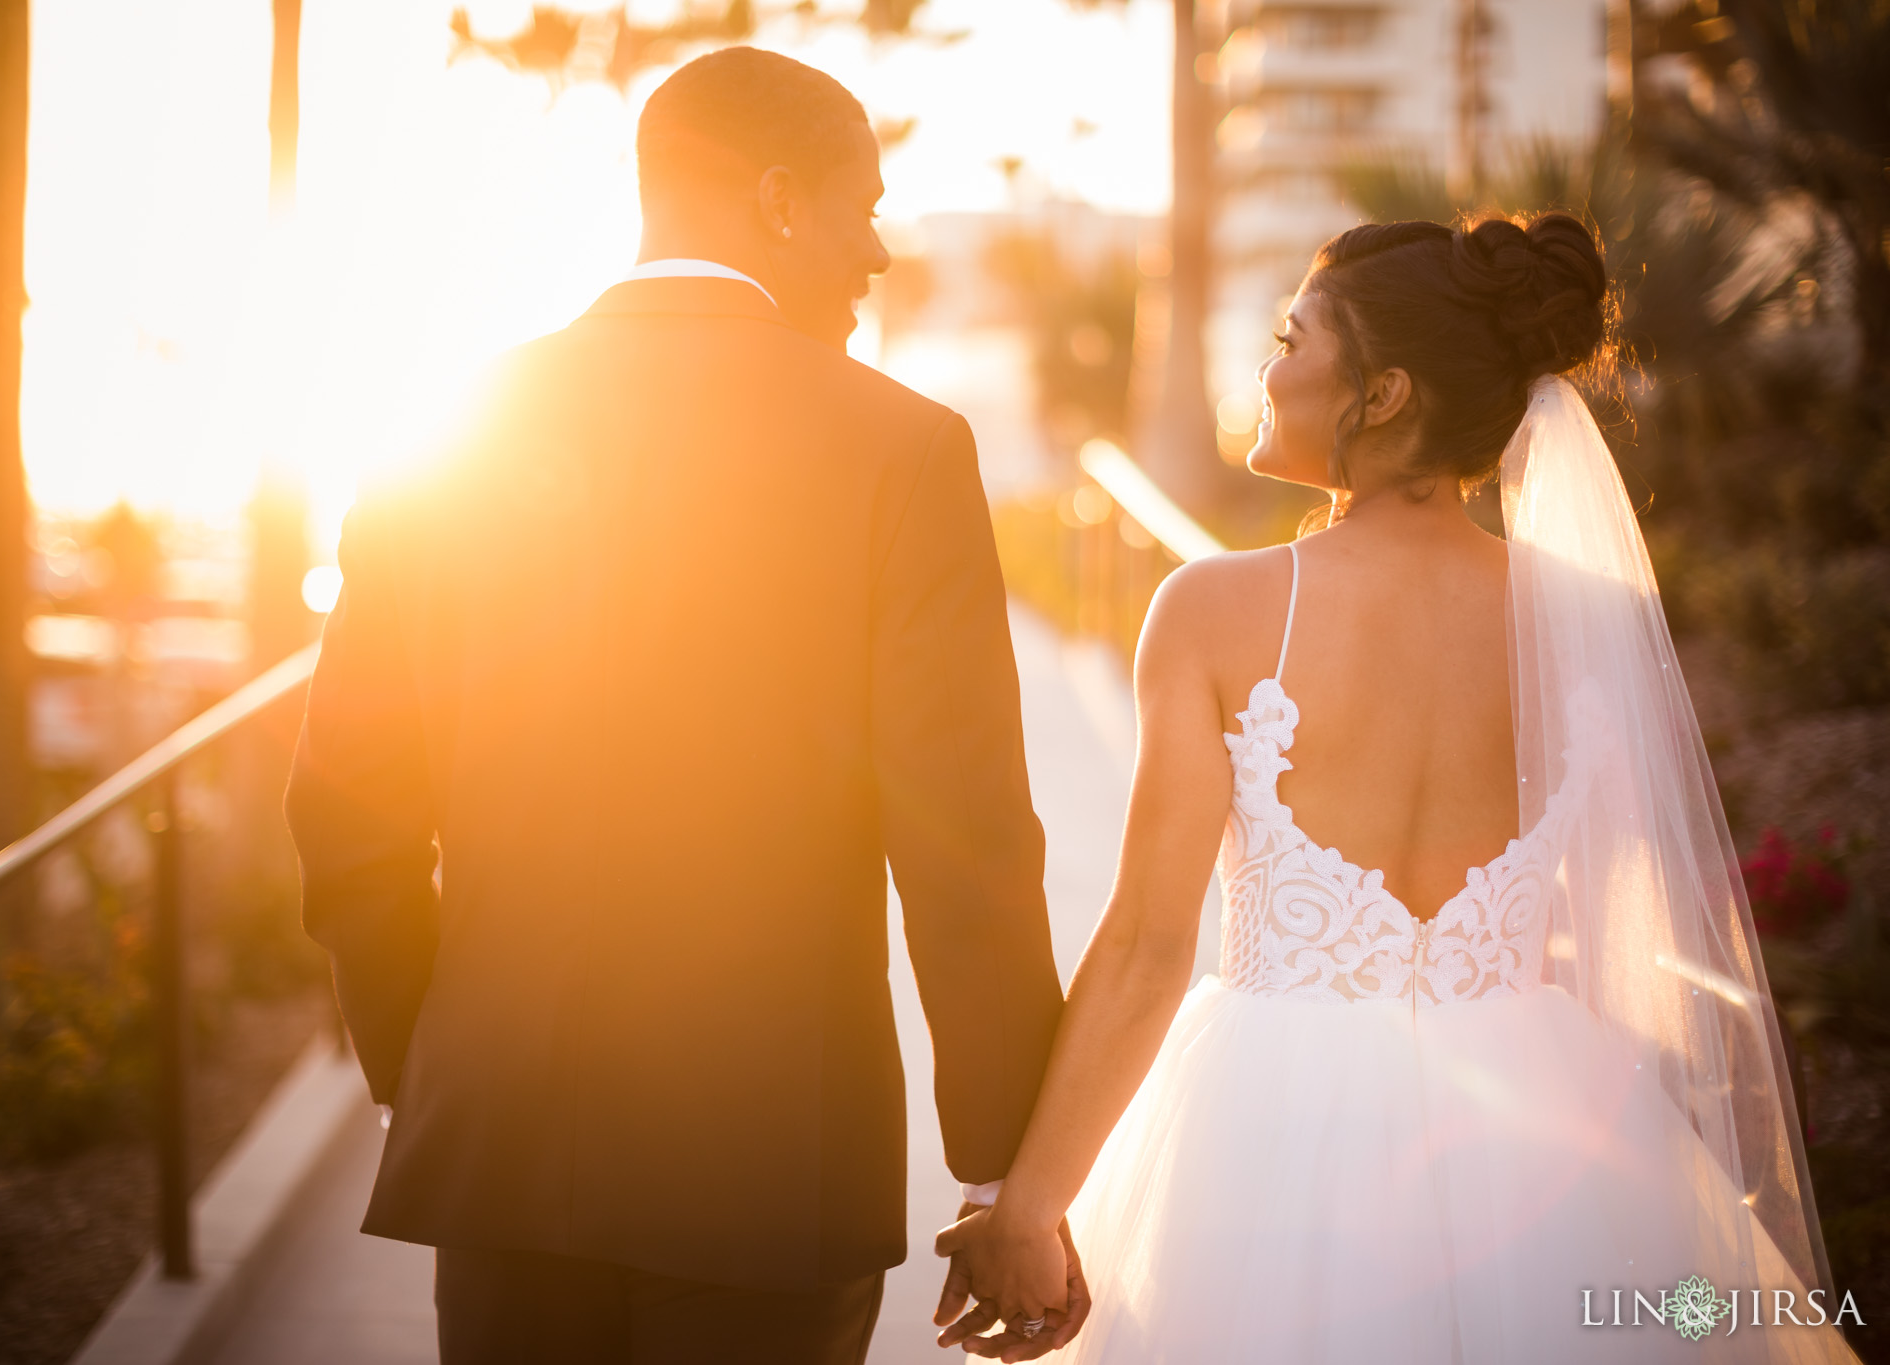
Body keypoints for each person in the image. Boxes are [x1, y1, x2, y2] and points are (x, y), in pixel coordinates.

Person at [932, 214, 1865, 1362]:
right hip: (1539, 1122)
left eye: (1291, 338)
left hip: (1266, 1136)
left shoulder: (1215, 611)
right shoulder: (1587, 621)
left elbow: (1143, 947)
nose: (1266, 372)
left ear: (1381, 395)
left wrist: (1025, 1209)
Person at [285, 47, 1073, 1365]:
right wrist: (1000, 1174)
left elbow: (346, 806)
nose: (876, 254)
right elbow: (968, 847)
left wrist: (432, 1076)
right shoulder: (904, 449)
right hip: (774, 1172)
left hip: (499, 1160)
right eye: (863, 207)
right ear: (777, 201)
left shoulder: (448, 425)